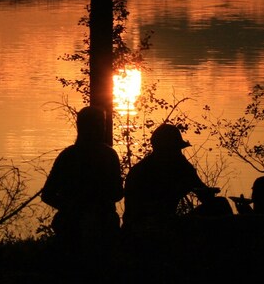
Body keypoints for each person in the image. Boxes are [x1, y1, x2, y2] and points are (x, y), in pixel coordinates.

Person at [40, 106, 123, 253]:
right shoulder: (109, 155)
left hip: (81, 221)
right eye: (100, 124)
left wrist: (69, 207)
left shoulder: (68, 156)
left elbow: (47, 195)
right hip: (90, 222)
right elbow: (117, 193)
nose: (102, 128)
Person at [123, 123, 222, 232]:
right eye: (175, 149)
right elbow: (147, 209)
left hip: (167, 222)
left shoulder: (180, 165)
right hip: (144, 226)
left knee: (219, 204)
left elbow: (204, 194)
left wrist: (206, 191)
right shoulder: (142, 172)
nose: (179, 153)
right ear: (164, 149)